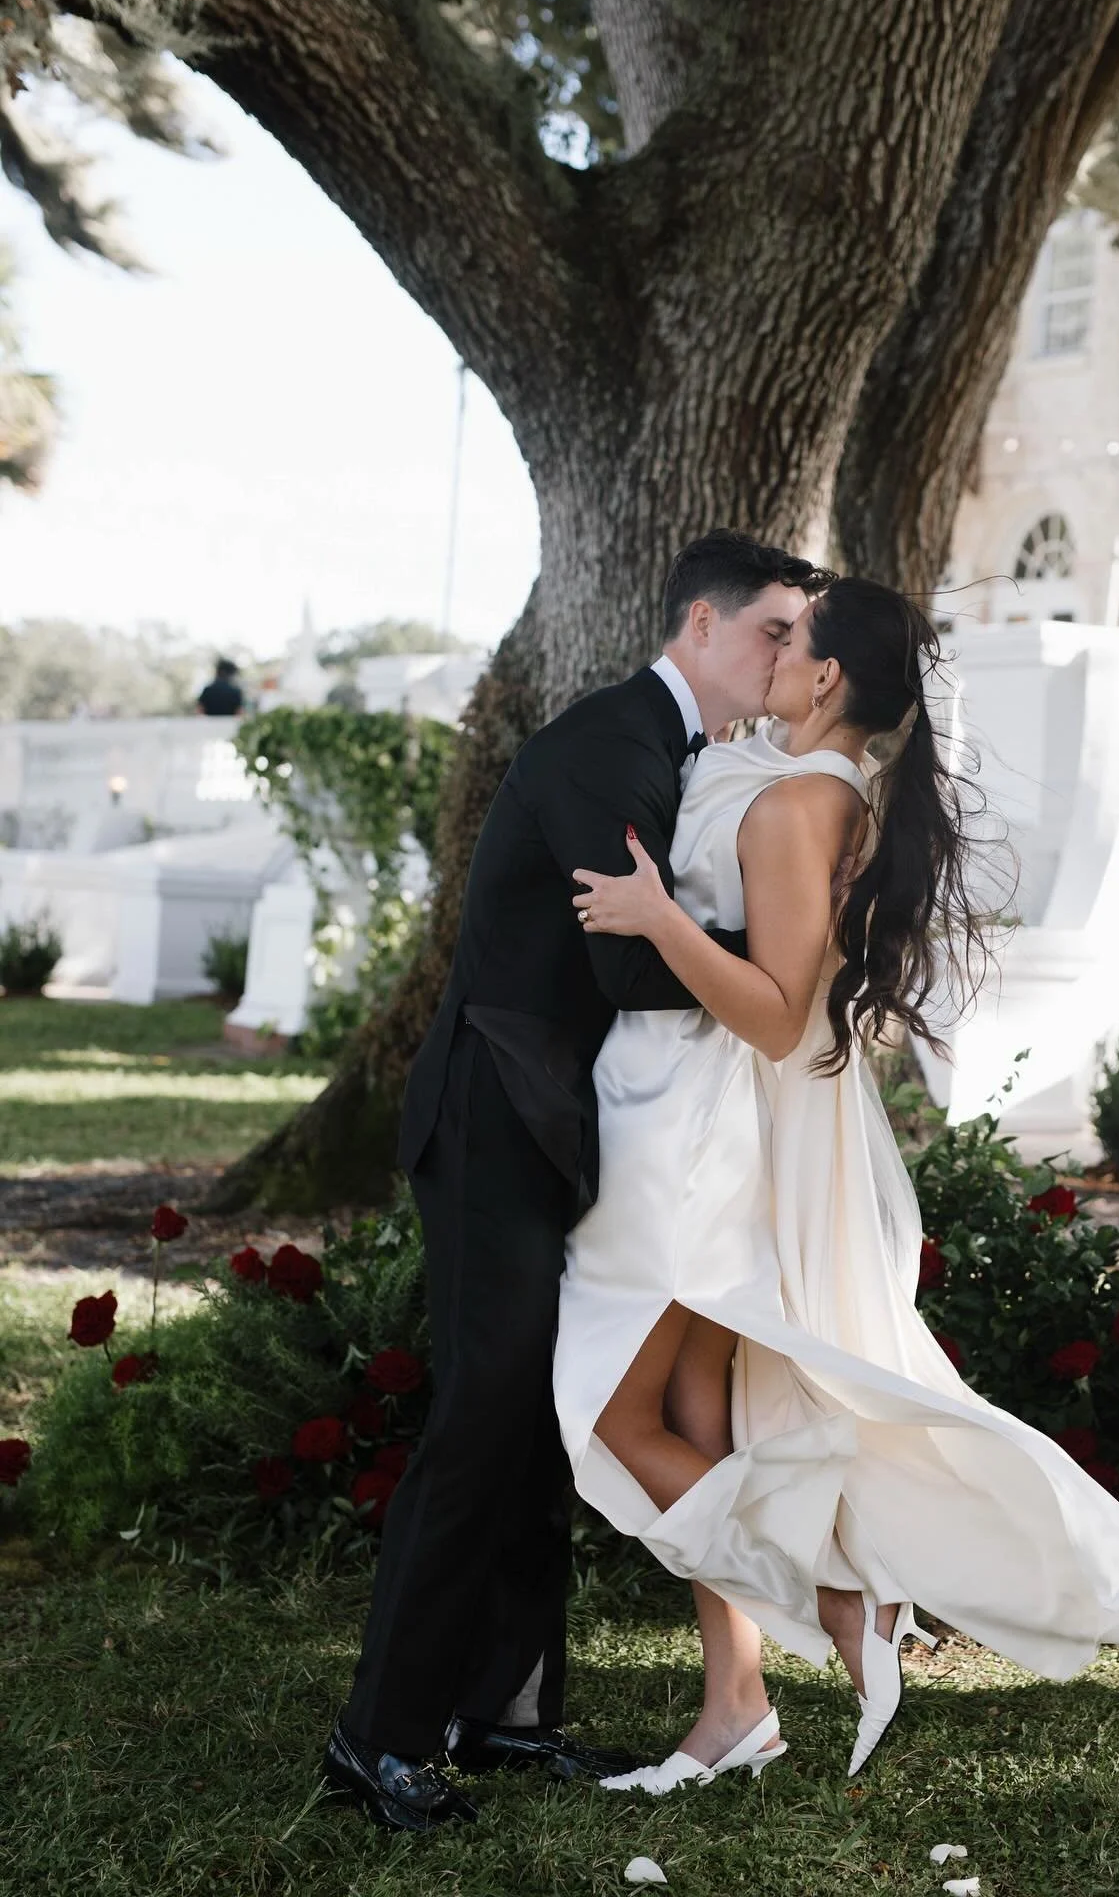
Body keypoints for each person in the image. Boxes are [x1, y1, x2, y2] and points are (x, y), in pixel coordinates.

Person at [557, 576, 1119, 1794]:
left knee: (613, 1408)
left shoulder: (806, 799)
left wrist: (655, 918)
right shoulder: (802, 776)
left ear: (827, 681)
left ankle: (838, 1600)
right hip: (716, 1119)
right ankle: (734, 1705)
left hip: (721, 1129)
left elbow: (771, 1010)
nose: (773, 652)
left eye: (792, 640)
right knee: (706, 1411)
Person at [322, 530, 832, 1831]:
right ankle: (379, 1739)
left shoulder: (694, 755)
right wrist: (791, 979)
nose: (789, 655)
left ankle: (506, 1714)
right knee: (483, 1417)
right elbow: (620, 961)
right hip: (499, 1122)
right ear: (701, 629)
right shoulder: (610, 745)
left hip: (576, 1133)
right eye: (773, 629)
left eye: (800, 636)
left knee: (546, 1409)